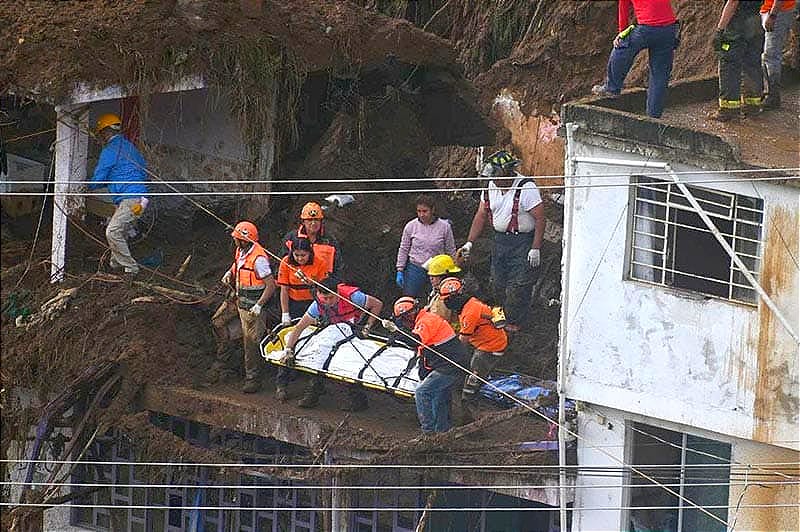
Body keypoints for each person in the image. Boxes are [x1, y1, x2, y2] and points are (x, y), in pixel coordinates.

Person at [459, 151, 545, 332]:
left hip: (522, 242)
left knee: (518, 285)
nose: (495, 181)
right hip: (499, 241)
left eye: (497, 177)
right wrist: (470, 242)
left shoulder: (526, 188)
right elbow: (481, 215)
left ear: (507, 172)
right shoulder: (490, 187)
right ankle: (500, 318)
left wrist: (536, 247)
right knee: (497, 282)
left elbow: (540, 218)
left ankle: (515, 323)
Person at [282, 274, 383, 410]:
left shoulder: (353, 297)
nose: (328, 301)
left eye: (331, 297)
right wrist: (288, 349)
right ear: (319, 295)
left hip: (354, 330)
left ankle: (357, 400)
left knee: (350, 362)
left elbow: (377, 304)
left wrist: (367, 326)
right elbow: (299, 328)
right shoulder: (317, 306)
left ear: (337, 293)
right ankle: (314, 392)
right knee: (319, 357)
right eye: (325, 298)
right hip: (334, 332)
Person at [390, 297, 468, 433]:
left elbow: (416, 341)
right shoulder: (425, 318)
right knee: (439, 396)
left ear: (409, 316)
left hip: (450, 366)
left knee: (422, 392)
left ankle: (428, 432)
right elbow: (425, 349)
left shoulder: (425, 322)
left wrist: (397, 332)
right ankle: (442, 431)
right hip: (451, 362)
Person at [591, 0, 679, 118]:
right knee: (660, 74)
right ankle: (654, 116)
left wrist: (622, 34)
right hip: (669, 29)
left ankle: (612, 88)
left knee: (621, 47)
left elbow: (623, 9)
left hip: (647, 29)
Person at [88, 113, 149, 274]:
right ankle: (114, 265)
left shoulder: (109, 150)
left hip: (130, 199)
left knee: (112, 231)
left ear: (105, 132)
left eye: (101, 133)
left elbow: (99, 177)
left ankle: (131, 268)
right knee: (121, 232)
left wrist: (87, 186)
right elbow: (143, 170)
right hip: (139, 198)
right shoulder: (130, 147)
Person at [220, 221, 276, 393]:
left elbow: (271, 285)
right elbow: (237, 264)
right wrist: (230, 273)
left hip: (254, 310)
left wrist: (259, 305)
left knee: (251, 344)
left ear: (244, 240)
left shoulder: (259, 260)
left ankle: (253, 378)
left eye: (237, 238)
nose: (234, 241)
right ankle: (226, 363)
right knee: (219, 322)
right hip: (240, 303)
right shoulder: (241, 251)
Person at [274, 235, 330, 400]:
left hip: (312, 304)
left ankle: (315, 385)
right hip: (293, 304)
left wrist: (311, 284)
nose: (300, 259)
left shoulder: (319, 263)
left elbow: (323, 290)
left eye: (303, 255)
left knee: (316, 342)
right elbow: (284, 290)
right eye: (297, 255)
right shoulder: (286, 262)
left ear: (309, 253)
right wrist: (285, 313)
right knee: (289, 341)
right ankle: (282, 383)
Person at [438, 277, 508, 402]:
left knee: (474, 376)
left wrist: (447, 353)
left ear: (454, 298)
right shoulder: (469, 303)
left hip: (490, 346)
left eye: (446, 300)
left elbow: (462, 341)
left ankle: (468, 401)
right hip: (483, 341)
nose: (445, 303)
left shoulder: (470, 313)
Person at [713, 0, 766, 121]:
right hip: (756, 21)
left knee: (729, 65)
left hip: (738, 25)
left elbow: (733, 2)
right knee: (752, 64)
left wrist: (720, 29)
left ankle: (728, 110)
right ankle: (753, 106)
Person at [395, 195, 456, 298]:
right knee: (409, 298)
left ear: (432, 210)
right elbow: (404, 249)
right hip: (415, 268)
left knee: (438, 297)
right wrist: (400, 269)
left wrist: (452, 269)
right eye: (419, 211)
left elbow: (450, 249)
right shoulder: (411, 226)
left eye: (425, 211)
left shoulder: (444, 227)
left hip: (437, 270)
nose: (421, 214)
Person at [283, 201, 340, 275]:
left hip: (323, 281)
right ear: (303, 221)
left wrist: (328, 281)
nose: (313, 223)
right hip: (295, 281)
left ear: (321, 221)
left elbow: (338, 268)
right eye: (309, 220)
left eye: (316, 219)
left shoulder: (330, 241)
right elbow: (281, 265)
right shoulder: (291, 238)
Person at [761, 0, 798, 108]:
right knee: (769, 55)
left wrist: (773, 15)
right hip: (775, 10)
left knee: (771, 56)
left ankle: (773, 97)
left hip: (778, 11)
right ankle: (769, 93)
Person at [423, 254, 462, 329]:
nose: (431, 279)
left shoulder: (446, 297)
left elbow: (437, 321)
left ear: (444, 277)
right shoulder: (439, 291)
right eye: (430, 276)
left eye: (434, 276)